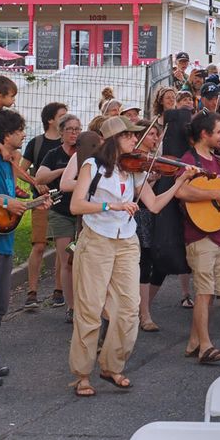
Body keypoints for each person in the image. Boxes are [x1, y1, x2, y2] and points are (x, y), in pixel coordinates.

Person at [68, 116, 197, 397]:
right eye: (129, 136)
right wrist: (112, 204)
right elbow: (77, 205)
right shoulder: (93, 167)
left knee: (128, 309)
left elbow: (154, 205)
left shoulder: (136, 170)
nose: (135, 141)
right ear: (114, 139)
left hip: (126, 242)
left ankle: (112, 366)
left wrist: (180, 181)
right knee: (90, 310)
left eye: (134, 136)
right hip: (97, 241)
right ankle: (82, 375)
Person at [0, 110, 51, 388]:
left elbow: (14, 205)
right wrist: (3, 201)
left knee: (0, 307)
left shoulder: (9, 162)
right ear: (7, 134)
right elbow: (1, 201)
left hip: (4, 241)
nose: (24, 134)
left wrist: (37, 203)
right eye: (20, 130)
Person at [174, 111, 220, 365]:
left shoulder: (219, 161)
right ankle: (206, 346)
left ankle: (194, 341)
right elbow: (181, 190)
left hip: (219, 233)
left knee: (210, 294)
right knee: (203, 292)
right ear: (205, 134)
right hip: (198, 234)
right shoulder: (189, 160)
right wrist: (217, 195)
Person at [35, 114, 82, 323]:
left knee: (83, 260)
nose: (74, 133)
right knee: (67, 261)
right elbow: (40, 177)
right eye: (70, 129)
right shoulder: (54, 154)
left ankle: (84, 304)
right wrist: (66, 170)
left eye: (78, 129)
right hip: (61, 213)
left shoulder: (86, 153)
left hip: (83, 214)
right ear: (61, 132)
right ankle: (71, 307)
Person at [21, 102, 67, 310]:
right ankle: (32, 293)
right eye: (62, 115)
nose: (66, 118)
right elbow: (21, 170)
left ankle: (59, 291)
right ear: (50, 120)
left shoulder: (69, 145)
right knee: (39, 245)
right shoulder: (36, 143)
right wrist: (37, 184)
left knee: (61, 249)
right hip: (41, 202)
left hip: (63, 202)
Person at [134, 120, 165, 333]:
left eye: (157, 134)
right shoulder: (133, 160)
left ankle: (142, 310)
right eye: (152, 134)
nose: (155, 138)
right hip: (136, 216)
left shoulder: (154, 160)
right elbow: (137, 193)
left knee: (153, 264)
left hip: (152, 216)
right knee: (141, 264)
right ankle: (143, 314)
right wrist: (152, 181)